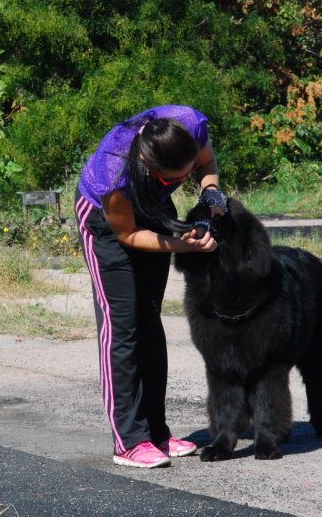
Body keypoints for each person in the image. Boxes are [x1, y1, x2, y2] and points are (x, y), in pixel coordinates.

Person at [74, 105, 228, 468]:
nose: (188, 177)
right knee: (122, 328)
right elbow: (127, 234)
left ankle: (156, 432)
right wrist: (181, 245)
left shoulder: (189, 124)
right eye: (179, 177)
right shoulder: (113, 172)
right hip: (107, 225)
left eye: (188, 172)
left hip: (152, 208)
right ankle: (128, 441)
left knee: (149, 322)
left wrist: (211, 195)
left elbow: (207, 164)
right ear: (151, 166)